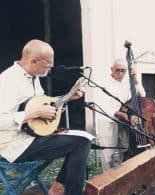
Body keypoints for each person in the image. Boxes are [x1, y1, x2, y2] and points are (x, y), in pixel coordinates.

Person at [0, 39, 91, 195]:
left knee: (84, 138)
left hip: (33, 137)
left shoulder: (34, 77)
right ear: (33, 61)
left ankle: (58, 187)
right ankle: (62, 189)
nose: (50, 69)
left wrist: (68, 97)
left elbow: (43, 105)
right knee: (80, 144)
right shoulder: (8, 80)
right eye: (48, 65)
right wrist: (33, 114)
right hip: (15, 146)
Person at [96, 58, 146, 168]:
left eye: (123, 70)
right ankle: (108, 182)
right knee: (108, 155)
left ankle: (124, 177)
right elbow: (104, 107)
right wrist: (124, 115)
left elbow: (142, 95)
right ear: (111, 69)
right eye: (117, 70)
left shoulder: (127, 83)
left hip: (124, 122)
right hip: (108, 121)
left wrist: (136, 80)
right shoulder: (103, 83)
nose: (120, 73)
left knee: (127, 149)